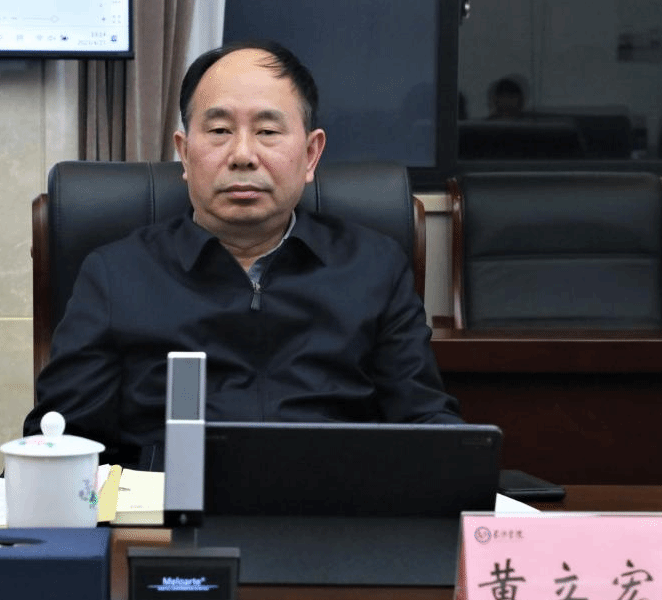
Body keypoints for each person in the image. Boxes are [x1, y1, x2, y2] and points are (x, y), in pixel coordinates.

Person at [23, 40, 462, 468]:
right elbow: (63, 438)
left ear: (311, 155)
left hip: (332, 503)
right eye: (219, 131)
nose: (243, 155)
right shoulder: (117, 274)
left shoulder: (373, 268)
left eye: (268, 132)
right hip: (168, 507)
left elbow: (424, 421)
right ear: (184, 154)